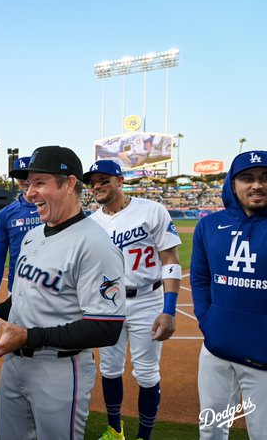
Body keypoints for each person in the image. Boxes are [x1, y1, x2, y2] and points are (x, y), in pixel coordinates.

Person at [0, 145, 126, 440]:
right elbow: (25, 297)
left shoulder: (95, 243)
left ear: (70, 183)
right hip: (14, 362)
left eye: (39, 183)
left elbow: (107, 327)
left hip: (60, 368)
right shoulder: (33, 236)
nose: (29, 193)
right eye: (28, 184)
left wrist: (31, 337)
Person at [83, 159, 182, 440]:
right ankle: (115, 430)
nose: (97, 186)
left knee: (147, 373)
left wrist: (169, 309)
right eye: (93, 182)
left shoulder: (151, 210)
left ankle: (144, 436)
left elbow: (170, 259)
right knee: (110, 369)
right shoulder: (91, 222)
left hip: (147, 300)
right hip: (109, 302)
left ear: (120, 181)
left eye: (104, 180)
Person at [190, 150, 267, 439]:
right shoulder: (209, 225)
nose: (257, 185)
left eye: (265, 178)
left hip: (263, 357)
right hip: (216, 350)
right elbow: (199, 277)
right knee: (210, 428)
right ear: (233, 185)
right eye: (247, 178)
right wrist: (207, 320)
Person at [0, 156, 42, 306]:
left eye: (28, 175)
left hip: (50, 288)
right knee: (16, 329)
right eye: (20, 177)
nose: (25, 181)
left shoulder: (53, 209)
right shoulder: (6, 214)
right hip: (17, 288)